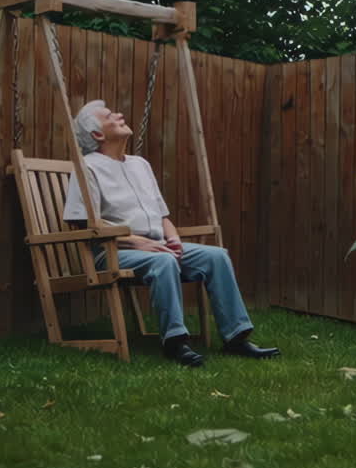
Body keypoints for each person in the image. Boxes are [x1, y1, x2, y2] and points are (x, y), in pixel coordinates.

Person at [62, 99, 280, 367]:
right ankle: (175, 342)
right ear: (97, 134)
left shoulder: (140, 164)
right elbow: (83, 224)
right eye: (109, 116)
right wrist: (139, 243)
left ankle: (236, 338)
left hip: (157, 245)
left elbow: (162, 216)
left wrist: (173, 238)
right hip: (113, 251)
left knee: (216, 256)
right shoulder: (88, 168)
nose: (119, 114)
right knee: (163, 261)